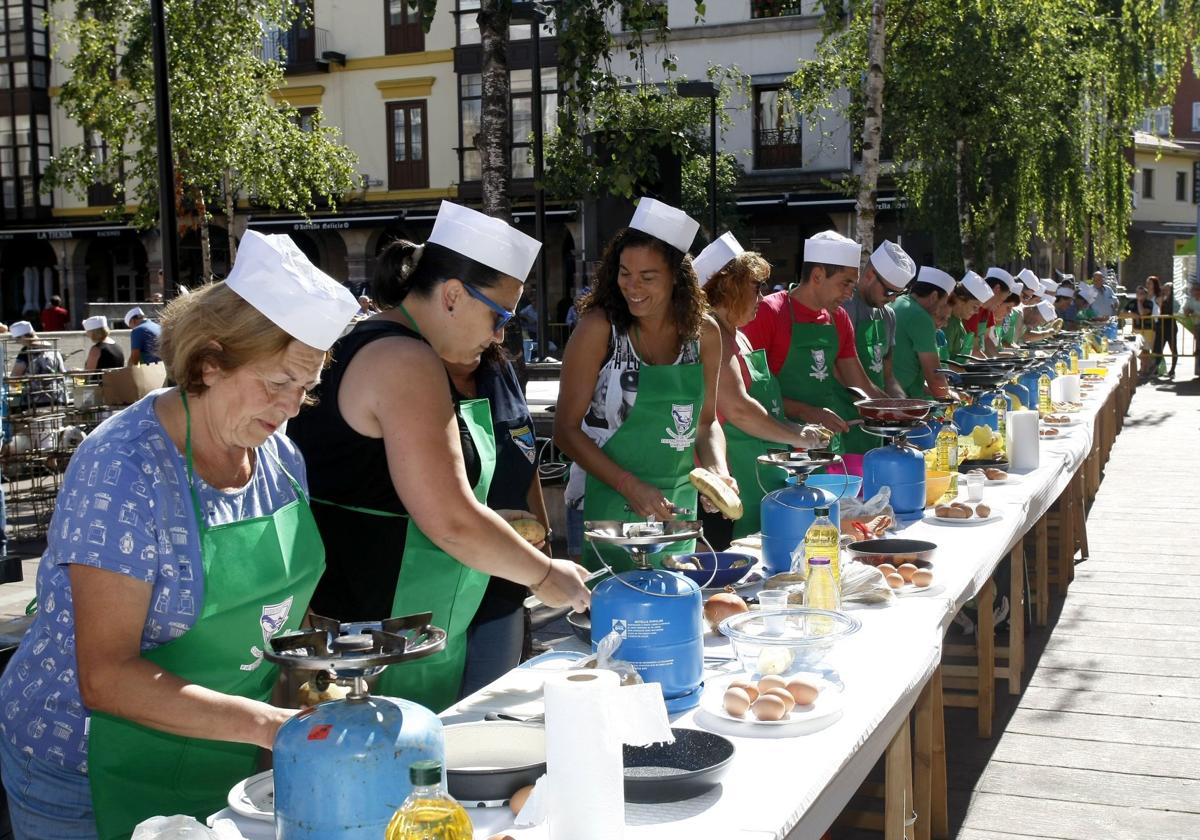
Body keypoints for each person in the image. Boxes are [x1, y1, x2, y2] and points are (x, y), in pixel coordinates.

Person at [0, 230, 360, 839]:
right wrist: (267, 727)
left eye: (305, 388)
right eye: (276, 384)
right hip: (84, 769)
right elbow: (106, 675)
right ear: (210, 361)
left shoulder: (279, 456)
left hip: (221, 747)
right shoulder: (123, 467)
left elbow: (279, 618)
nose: (292, 407)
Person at [287, 201, 590, 712]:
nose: (499, 335)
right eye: (498, 316)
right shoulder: (407, 357)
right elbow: (448, 518)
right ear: (452, 295)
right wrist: (543, 574)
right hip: (380, 642)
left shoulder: (365, 342)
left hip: (373, 628)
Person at [555, 198, 732, 569]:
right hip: (603, 499)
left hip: (675, 506)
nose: (632, 287)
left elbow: (706, 422)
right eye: (624, 273)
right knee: (611, 614)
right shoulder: (599, 330)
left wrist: (719, 470)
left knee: (674, 604)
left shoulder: (706, 334)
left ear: (676, 278)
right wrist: (627, 485)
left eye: (647, 277)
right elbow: (566, 431)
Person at [694, 232, 830, 543]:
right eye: (756, 288)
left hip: (757, 475)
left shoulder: (738, 334)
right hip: (728, 478)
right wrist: (798, 436)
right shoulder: (712, 331)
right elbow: (738, 409)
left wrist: (794, 431)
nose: (761, 297)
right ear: (729, 286)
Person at [449, 343, 549, 695]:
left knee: (487, 703)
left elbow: (525, 457)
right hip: (440, 584)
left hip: (506, 580)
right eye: (494, 313)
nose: (500, 330)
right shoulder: (413, 373)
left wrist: (543, 539)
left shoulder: (498, 369)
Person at [741, 230, 864, 453]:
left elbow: (859, 382)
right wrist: (806, 412)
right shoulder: (768, 312)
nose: (849, 294)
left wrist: (893, 409)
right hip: (777, 446)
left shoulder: (839, 318)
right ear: (817, 276)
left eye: (852, 286)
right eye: (845, 284)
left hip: (824, 444)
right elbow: (747, 393)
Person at [832, 240, 917, 455]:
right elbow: (840, 372)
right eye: (889, 292)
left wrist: (903, 405)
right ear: (869, 275)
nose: (893, 299)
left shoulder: (888, 315)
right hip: (844, 420)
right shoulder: (845, 308)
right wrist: (888, 409)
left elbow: (888, 376)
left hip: (875, 423)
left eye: (898, 293)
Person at [889, 266, 959, 398]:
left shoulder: (898, 302)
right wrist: (952, 398)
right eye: (942, 303)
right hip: (900, 397)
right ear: (933, 296)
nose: (938, 310)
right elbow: (935, 378)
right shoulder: (921, 317)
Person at [8, 320, 68, 407]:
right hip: (57, 400)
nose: (19, 343)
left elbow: (14, 379)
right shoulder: (53, 348)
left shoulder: (26, 352)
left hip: (34, 402)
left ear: (24, 337)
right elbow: (63, 373)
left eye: (18, 340)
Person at [963, 268, 1013, 357]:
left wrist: (997, 360)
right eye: (1001, 300)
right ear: (997, 289)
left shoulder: (988, 309)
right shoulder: (973, 308)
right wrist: (990, 366)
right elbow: (974, 350)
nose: (1000, 304)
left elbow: (986, 339)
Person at [945, 270, 992, 359]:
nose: (977, 312)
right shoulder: (947, 323)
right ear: (961, 300)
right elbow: (943, 364)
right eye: (975, 307)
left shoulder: (959, 321)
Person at [1124, 284, 1156, 381]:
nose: (1139, 295)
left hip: (1148, 329)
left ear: (1145, 295)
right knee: (1136, 350)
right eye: (1138, 293)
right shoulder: (1131, 302)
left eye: (1142, 293)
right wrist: (1132, 314)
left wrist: (1139, 302)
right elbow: (1122, 313)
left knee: (1145, 350)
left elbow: (1142, 313)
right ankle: (1150, 364)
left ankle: (1144, 370)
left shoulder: (1149, 303)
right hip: (1137, 329)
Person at [1147, 275, 1177, 377]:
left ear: (1171, 290)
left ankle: (1172, 369)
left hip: (1171, 326)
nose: (1165, 291)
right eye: (1164, 289)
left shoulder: (1174, 301)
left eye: (1167, 289)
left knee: (1173, 348)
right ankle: (1155, 369)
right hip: (1160, 326)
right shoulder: (1161, 299)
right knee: (1158, 349)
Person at [1182, 283, 1200, 378]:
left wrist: (1194, 312)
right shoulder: (1190, 300)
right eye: (1194, 290)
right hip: (1196, 325)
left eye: (1198, 290)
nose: (1196, 292)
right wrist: (1188, 311)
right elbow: (1185, 311)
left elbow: (1192, 312)